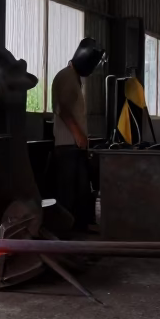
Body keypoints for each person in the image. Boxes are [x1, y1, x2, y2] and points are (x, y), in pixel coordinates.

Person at [49, 38, 104, 230]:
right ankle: (65, 231)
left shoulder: (73, 78)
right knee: (68, 193)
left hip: (75, 146)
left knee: (81, 190)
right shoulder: (66, 77)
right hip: (68, 146)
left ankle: (79, 227)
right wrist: (79, 135)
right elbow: (63, 110)